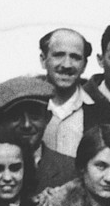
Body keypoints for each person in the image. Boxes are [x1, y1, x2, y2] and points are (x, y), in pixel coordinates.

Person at [40, 27, 95, 166]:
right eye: (58, 55)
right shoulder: (24, 109)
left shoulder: (104, 114)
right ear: (43, 60)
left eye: (75, 57)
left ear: (84, 65)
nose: (66, 65)